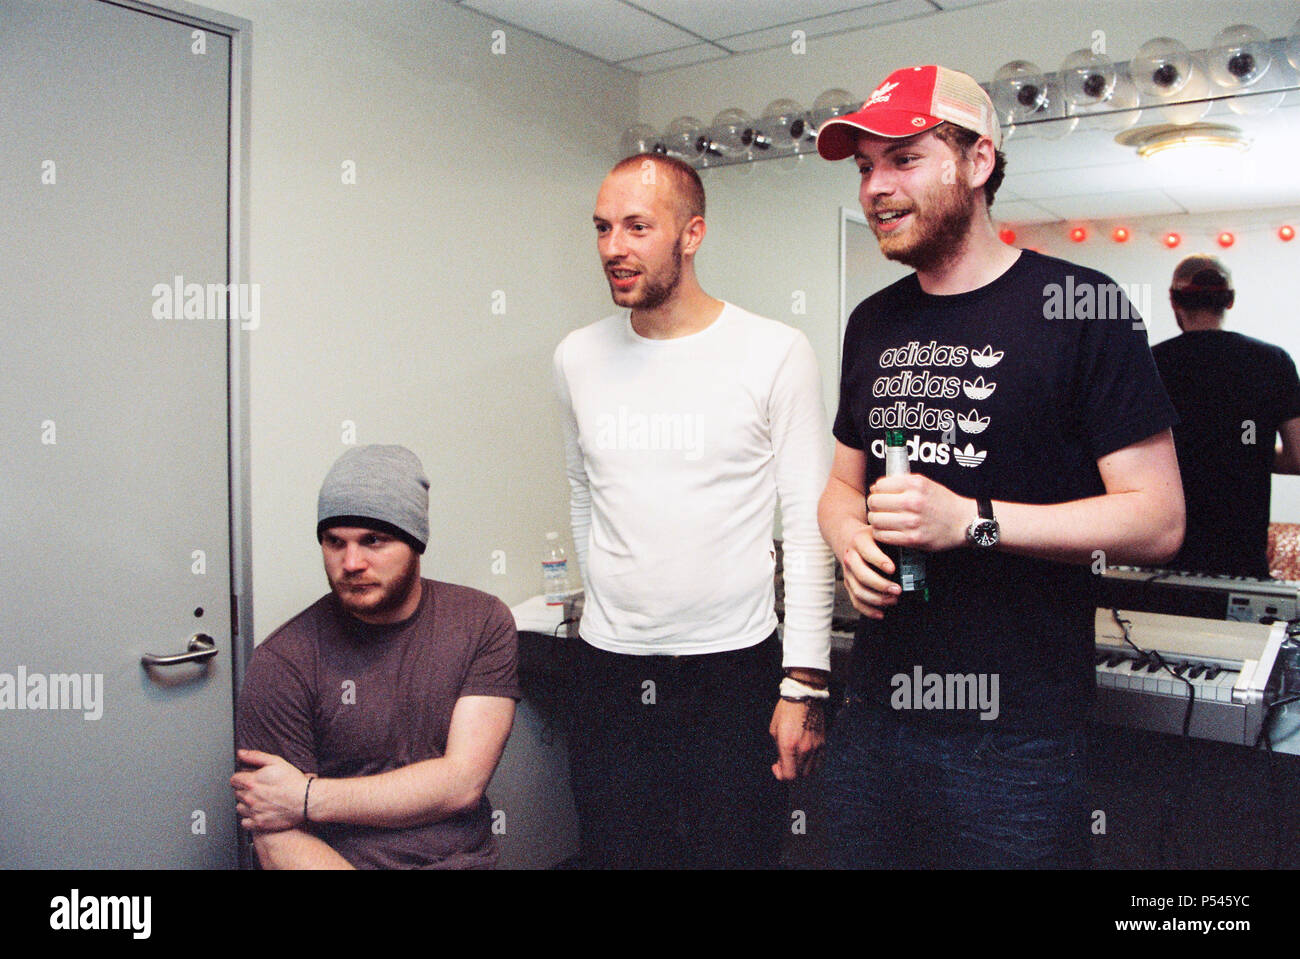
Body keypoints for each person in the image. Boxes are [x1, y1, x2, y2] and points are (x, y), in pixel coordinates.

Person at [814, 65, 1185, 868]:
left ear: (978, 162)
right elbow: (841, 485)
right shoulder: (873, 321)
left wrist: (971, 521)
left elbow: (1157, 518)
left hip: (1015, 739)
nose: (876, 186)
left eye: (904, 158)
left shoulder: (1083, 307)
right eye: (865, 167)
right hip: (873, 715)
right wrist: (847, 537)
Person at [553, 152, 835, 868]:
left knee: (734, 855)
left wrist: (802, 680)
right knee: (619, 857)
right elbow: (585, 494)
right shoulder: (576, 358)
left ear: (693, 233)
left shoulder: (774, 351)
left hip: (732, 673)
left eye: (638, 226)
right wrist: (618, 601)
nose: (614, 247)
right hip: (611, 673)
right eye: (603, 228)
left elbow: (807, 520)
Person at [231, 444, 519, 869]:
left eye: (373, 540)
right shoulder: (281, 662)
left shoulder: (481, 621)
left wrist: (308, 798)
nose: (351, 563)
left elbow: (462, 782)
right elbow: (276, 833)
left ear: (415, 543)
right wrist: (296, 807)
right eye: (334, 542)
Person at [1152, 255, 1300, 578]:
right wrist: (1246, 450)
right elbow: (1297, 457)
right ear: (1229, 300)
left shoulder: (1150, 364)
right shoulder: (1273, 362)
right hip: (1241, 560)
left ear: (1174, 300)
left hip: (1162, 560)